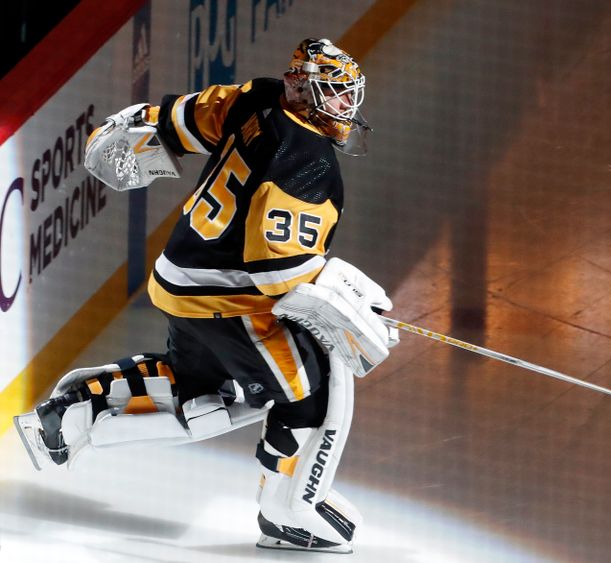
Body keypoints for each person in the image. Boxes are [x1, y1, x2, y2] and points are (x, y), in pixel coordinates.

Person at [14, 38, 397, 554]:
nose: (346, 106)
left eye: (349, 94)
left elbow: (181, 119)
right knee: (314, 384)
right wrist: (342, 301)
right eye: (334, 93)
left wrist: (138, 122)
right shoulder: (309, 162)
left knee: (199, 387)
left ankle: (73, 413)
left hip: (180, 275)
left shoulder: (257, 97)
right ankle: (289, 512)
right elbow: (275, 268)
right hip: (230, 296)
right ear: (303, 88)